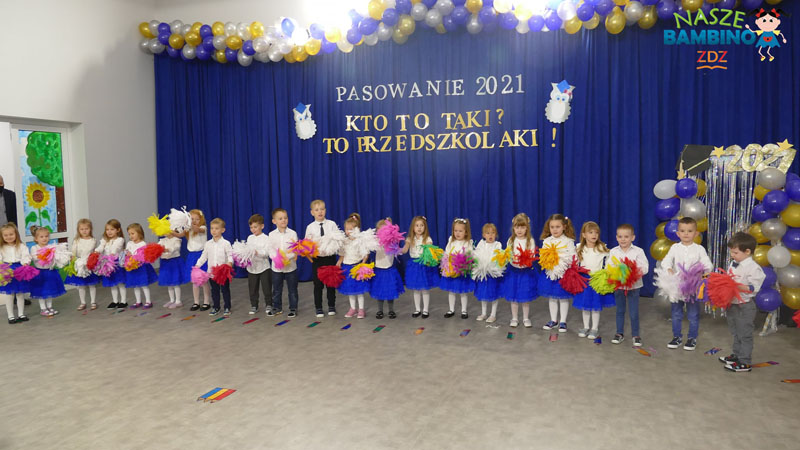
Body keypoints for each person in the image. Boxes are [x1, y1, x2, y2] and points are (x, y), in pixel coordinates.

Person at [660, 217, 713, 351]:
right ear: (678, 233)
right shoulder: (675, 248)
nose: (686, 234)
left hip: (693, 286)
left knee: (693, 314)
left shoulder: (699, 249)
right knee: (676, 313)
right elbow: (666, 261)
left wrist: (703, 272)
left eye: (690, 231)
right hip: (677, 285)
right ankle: (676, 337)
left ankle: (692, 338)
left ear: (696, 233)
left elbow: (707, 264)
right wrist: (668, 268)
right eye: (683, 231)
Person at [720, 232, 766, 372]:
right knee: (735, 331)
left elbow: (753, 288)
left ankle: (745, 361)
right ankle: (737, 355)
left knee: (744, 334)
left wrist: (735, 286)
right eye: (731, 252)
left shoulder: (754, 268)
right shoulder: (734, 263)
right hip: (732, 304)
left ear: (747, 252)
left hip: (744, 306)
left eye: (735, 252)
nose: (732, 255)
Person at [609, 224, 649, 347]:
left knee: (633, 312)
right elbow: (609, 267)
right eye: (620, 236)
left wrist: (633, 272)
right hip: (619, 286)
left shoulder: (638, 251)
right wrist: (617, 273)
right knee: (620, 310)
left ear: (633, 237)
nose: (623, 239)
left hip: (634, 287)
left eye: (626, 236)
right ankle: (619, 333)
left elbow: (645, 267)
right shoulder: (613, 251)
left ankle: (636, 335)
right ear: (616, 237)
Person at [573, 222, 614, 340]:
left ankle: (594, 328)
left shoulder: (602, 248)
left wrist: (606, 272)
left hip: (597, 280)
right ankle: (586, 326)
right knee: (585, 305)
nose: (594, 235)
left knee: (595, 305)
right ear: (584, 235)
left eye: (596, 232)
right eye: (590, 232)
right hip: (584, 280)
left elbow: (610, 261)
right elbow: (575, 262)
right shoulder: (579, 248)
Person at [538, 214, 577, 332]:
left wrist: (564, 264)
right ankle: (553, 320)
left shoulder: (569, 241)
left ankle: (563, 321)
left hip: (564, 274)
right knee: (552, 297)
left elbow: (572, 257)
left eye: (558, 227)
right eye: (552, 227)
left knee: (563, 298)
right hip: (551, 273)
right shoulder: (547, 241)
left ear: (564, 227)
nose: (555, 230)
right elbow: (543, 256)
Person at [305, 200, 341, 318]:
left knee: (330, 284)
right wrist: (311, 258)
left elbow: (338, 240)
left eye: (322, 209)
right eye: (317, 210)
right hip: (317, 259)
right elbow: (306, 245)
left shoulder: (332, 224)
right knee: (318, 285)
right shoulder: (310, 227)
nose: (320, 212)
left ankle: (331, 305)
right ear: (312, 212)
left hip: (330, 258)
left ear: (325, 210)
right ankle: (319, 307)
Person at [502, 214, 538, 327]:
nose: (519, 230)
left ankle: (526, 318)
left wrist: (524, 260)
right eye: (517, 227)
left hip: (526, 272)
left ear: (527, 228)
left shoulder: (530, 240)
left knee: (525, 295)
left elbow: (531, 255)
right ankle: (514, 318)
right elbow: (508, 254)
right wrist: (512, 259)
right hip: (513, 271)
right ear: (513, 228)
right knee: (514, 296)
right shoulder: (511, 240)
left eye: (522, 227)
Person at [400, 216, 438, 318]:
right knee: (416, 289)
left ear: (425, 227)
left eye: (422, 225)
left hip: (424, 265)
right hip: (414, 266)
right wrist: (396, 249)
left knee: (424, 289)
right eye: (417, 225)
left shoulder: (427, 239)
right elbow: (404, 250)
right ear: (413, 227)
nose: (419, 228)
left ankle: (425, 310)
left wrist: (429, 253)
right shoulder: (409, 239)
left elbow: (430, 250)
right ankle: (417, 309)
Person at [195, 218, 233, 316]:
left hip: (223, 273)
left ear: (222, 230)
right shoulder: (208, 244)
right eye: (212, 228)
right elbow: (204, 256)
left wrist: (230, 262)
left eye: (216, 228)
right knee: (214, 291)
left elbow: (230, 255)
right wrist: (198, 265)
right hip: (212, 273)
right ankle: (216, 307)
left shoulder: (226, 243)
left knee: (225, 290)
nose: (214, 231)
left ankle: (227, 307)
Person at [370, 218, 405, 319]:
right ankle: (380, 310)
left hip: (389, 270)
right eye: (379, 230)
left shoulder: (392, 241)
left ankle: (391, 310)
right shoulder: (376, 242)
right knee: (379, 291)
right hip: (379, 270)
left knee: (390, 291)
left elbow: (398, 250)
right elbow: (371, 246)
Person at [440, 218, 475, 319]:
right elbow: (447, 252)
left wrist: (464, 262)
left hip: (462, 270)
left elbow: (470, 255)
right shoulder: (451, 240)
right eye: (455, 231)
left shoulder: (468, 242)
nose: (457, 233)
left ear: (466, 232)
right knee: (451, 291)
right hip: (451, 270)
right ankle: (451, 309)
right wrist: (447, 262)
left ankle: (464, 310)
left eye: (460, 231)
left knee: (463, 291)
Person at [337, 216, 371, 319]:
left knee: (359, 291)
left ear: (357, 229)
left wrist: (363, 264)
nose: (348, 231)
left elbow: (365, 254)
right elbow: (342, 254)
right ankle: (352, 308)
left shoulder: (360, 241)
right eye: (347, 229)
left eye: (351, 229)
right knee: (350, 290)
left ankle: (361, 309)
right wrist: (339, 261)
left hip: (357, 268)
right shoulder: (344, 241)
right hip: (347, 268)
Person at [29, 226, 67, 316]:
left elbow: (55, 258)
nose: (44, 238)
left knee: (50, 290)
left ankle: (49, 307)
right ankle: (43, 309)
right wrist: (43, 254)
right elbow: (34, 257)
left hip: (50, 272)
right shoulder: (34, 248)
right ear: (36, 239)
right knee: (41, 291)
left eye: (46, 236)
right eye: (41, 237)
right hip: (40, 273)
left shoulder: (51, 247)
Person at [268, 208, 298, 318]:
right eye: (280, 218)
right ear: (274, 221)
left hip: (290, 267)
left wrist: (286, 258)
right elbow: (270, 249)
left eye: (285, 218)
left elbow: (295, 250)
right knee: (276, 289)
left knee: (292, 289)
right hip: (276, 268)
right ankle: (277, 308)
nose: (283, 220)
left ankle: (293, 308)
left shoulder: (292, 233)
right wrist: (276, 259)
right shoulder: (271, 235)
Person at [65, 219, 100, 310]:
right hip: (79, 264)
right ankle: (83, 302)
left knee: (92, 284)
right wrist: (73, 258)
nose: (84, 231)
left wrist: (90, 260)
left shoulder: (93, 240)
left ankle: (93, 302)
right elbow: (73, 251)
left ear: (90, 229)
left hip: (89, 264)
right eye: (82, 229)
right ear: (78, 230)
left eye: (86, 229)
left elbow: (90, 250)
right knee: (81, 285)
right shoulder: (76, 240)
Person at [474, 223, 503, 323]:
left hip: (493, 274)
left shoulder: (497, 245)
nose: (490, 235)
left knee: (493, 293)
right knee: (483, 293)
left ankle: (493, 314)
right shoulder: (481, 244)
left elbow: (499, 257)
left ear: (496, 234)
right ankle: (484, 313)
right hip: (483, 273)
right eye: (487, 233)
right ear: (483, 235)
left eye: (493, 233)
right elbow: (477, 255)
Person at [1, 223, 30, 323]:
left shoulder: (21, 246)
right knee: (9, 294)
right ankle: (10, 316)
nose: (9, 237)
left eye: (11, 234)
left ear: (16, 234)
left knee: (20, 294)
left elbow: (26, 256)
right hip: (6, 270)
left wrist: (25, 263)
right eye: (6, 235)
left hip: (19, 270)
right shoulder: (1, 247)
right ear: (2, 236)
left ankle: (21, 314)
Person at [124, 223, 158, 309]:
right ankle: (138, 301)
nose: (131, 236)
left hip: (141, 267)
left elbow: (142, 255)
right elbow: (127, 251)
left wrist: (134, 256)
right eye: (129, 234)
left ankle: (148, 301)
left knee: (143, 284)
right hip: (132, 267)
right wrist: (127, 253)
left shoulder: (142, 244)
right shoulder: (129, 243)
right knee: (135, 285)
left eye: (133, 233)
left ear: (139, 233)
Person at [97, 219, 127, 309]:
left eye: (112, 229)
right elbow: (101, 247)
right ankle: (115, 301)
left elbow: (116, 248)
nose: (109, 232)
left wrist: (112, 253)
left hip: (117, 263)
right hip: (107, 264)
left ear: (118, 230)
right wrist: (97, 251)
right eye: (107, 230)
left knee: (120, 283)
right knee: (112, 283)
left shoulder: (120, 240)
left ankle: (123, 301)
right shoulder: (105, 240)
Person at [246, 214, 272, 315]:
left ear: (262, 226)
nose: (253, 229)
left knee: (266, 287)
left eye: (255, 227)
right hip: (252, 268)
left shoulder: (266, 238)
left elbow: (267, 253)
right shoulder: (250, 238)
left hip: (264, 267)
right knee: (252, 288)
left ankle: (269, 304)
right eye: (251, 227)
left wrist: (257, 252)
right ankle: (254, 305)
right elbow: (247, 250)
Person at [159, 231, 187, 309]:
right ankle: (171, 300)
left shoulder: (176, 239)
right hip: (165, 262)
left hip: (174, 262)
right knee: (169, 283)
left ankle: (178, 301)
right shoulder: (162, 240)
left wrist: (168, 249)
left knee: (175, 282)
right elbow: (158, 247)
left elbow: (176, 247)